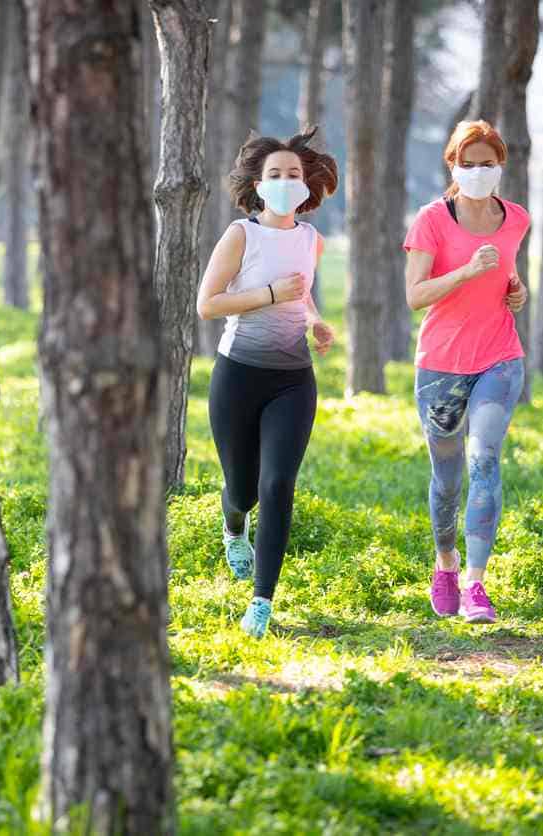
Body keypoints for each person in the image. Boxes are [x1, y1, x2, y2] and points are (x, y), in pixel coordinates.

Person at [195, 127, 338, 638]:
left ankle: (261, 602)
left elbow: (302, 294)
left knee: (277, 483)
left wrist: (315, 321)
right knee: (244, 490)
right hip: (238, 376)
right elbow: (208, 304)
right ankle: (233, 524)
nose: (285, 181)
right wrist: (271, 294)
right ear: (258, 183)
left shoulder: (310, 239)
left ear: (306, 184)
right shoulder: (241, 235)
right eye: (274, 174)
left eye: (293, 174)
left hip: (293, 381)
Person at [402, 120, 529, 625]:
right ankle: (446, 566)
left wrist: (516, 292)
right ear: (453, 166)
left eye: (488, 163)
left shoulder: (516, 218)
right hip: (440, 366)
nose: (479, 171)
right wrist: (467, 271)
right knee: (447, 478)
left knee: (485, 461)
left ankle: (476, 583)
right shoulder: (432, 219)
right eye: (468, 163)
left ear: (501, 165)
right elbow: (415, 296)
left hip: (499, 357)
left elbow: (508, 279)